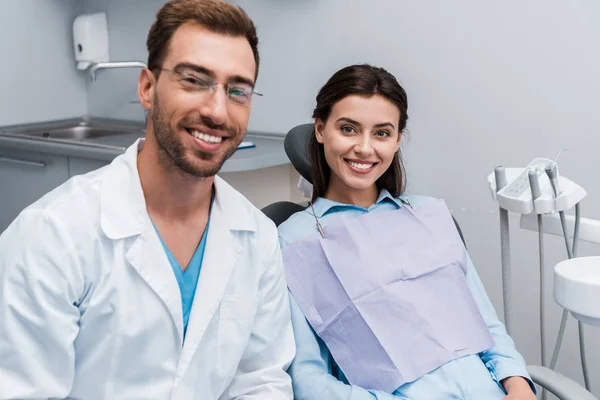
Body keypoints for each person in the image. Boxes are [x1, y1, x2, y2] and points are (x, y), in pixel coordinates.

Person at [0, 0, 295, 398]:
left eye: (237, 90)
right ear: (147, 88)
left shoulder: (257, 237)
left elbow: (261, 380)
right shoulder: (52, 236)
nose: (217, 110)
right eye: (194, 80)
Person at [277, 64, 536, 400]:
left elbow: (487, 327)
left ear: (398, 140)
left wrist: (518, 385)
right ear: (320, 129)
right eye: (349, 129)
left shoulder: (428, 215)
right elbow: (308, 380)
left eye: (382, 133)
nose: (365, 148)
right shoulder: (293, 241)